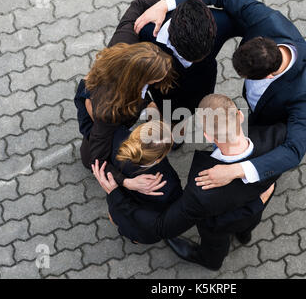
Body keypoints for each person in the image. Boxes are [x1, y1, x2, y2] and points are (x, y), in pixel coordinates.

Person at [134, 0, 306, 190]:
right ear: (261, 40)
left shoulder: (304, 95)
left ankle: (263, 188)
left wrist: (238, 170)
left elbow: (293, 150)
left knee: (256, 147)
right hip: (268, 100)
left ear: (270, 75)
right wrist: (165, 3)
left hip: (293, 120)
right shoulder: (267, 21)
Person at [92, 94, 290, 270]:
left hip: (219, 226)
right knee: (245, 227)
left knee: (217, 247)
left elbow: (163, 228)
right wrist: (261, 200)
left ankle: (218, 254)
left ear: (206, 135)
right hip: (259, 201)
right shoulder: (279, 136)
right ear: (240, 115)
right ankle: (244, 235)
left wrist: (117, 192)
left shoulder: (198, 189)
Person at [110, 0, 241, 116]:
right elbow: (127, 75)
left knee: (190, 111)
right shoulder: (145, 33)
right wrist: (146, 103)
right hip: (163, 90)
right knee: (170, 116)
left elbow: (252, 19)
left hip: (202, 83)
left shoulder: (221, 23)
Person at [74, 42, 174, 196]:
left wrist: (151, 106)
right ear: (140, 79)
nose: (165, 75)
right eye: (156, 78)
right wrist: (128, 182)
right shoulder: (108, 112)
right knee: (92, 155)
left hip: (105, 101)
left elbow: (129, 19)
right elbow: (98, 161)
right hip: (101, 115)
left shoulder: (128, 57)